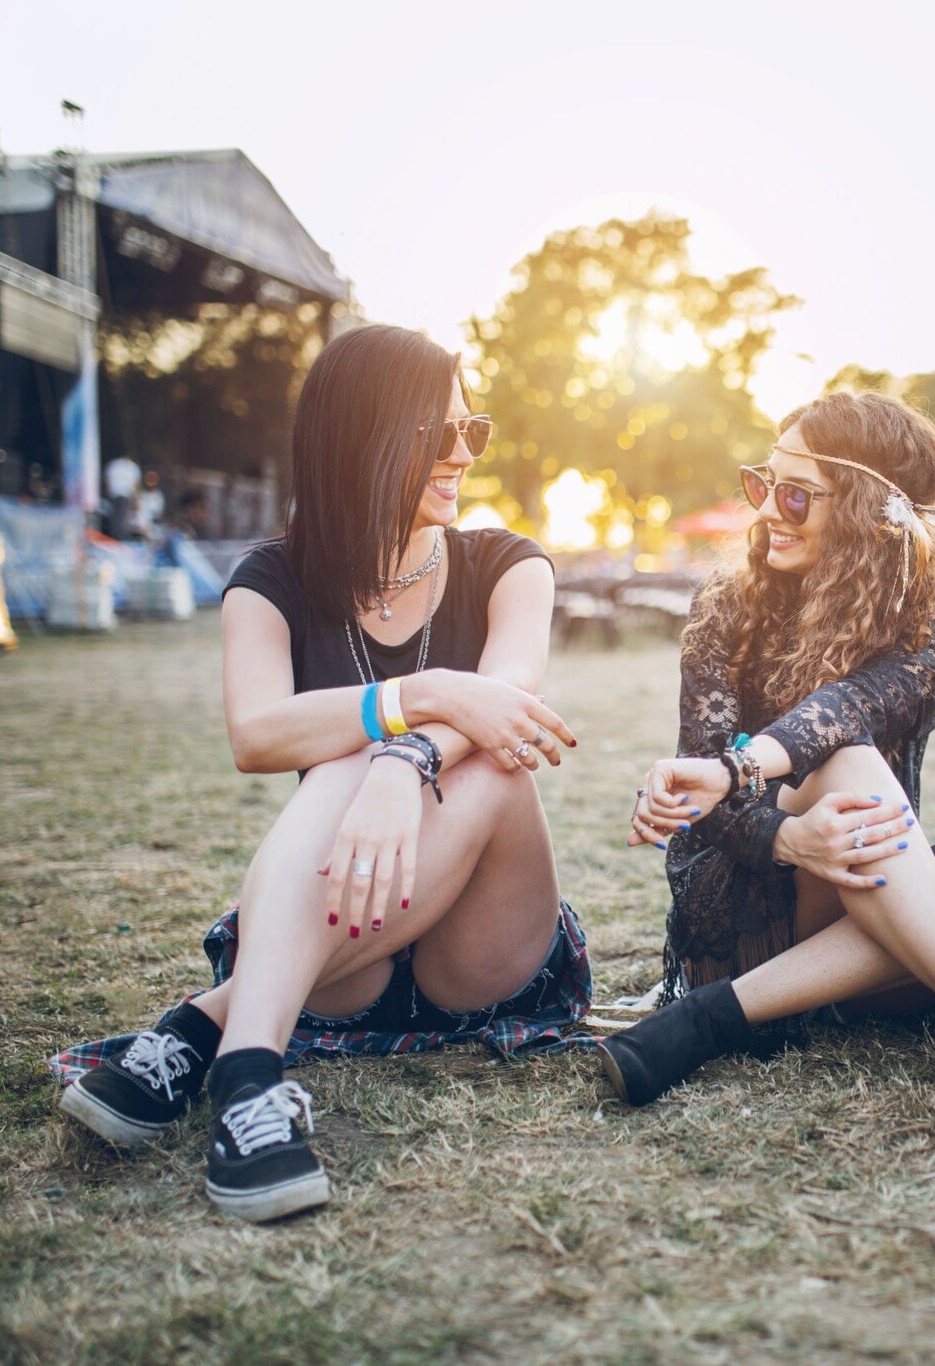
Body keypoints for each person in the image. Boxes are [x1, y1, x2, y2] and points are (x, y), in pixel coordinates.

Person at [51, 324, 589, 1222]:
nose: (464, 454)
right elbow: (257, 735)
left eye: (474, 431)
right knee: (353, 746)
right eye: (439, 436)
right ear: (367, 442)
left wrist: (402, 759)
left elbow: (508, 699)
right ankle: (250, 1085)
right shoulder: (272, 579)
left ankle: (206, 1031)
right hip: (348, 935)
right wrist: (418, 696)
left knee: (490, 761)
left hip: (484, 950)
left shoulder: (506, 564)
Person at [603, 391, 935, 1141]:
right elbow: (728, 790)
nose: (768, 510)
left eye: (796, 494)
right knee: (849, 767)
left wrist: (746, 773)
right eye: (762, 484)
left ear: (866, 510)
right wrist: (787, 833)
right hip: (748, 915)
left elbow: (856, 704)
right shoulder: (725, 604)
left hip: (864, 893)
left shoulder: (933, 620)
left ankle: (709, 1024)